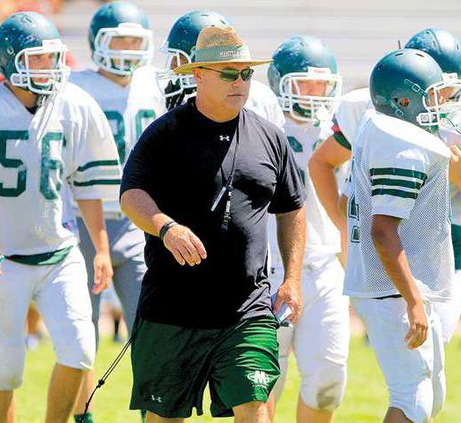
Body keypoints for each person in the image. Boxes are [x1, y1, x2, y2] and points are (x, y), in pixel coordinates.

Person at [0, 12, 120, 423]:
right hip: (2, 260)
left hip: (59, 253)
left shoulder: (72, 104)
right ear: (10, 61)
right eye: (37, 59)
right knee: (5, 369)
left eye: (52, 57)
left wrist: (102, 248)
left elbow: (87, 186)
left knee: (79, 351)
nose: (49, 67)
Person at [120, 26, 305, 422]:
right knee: (163, 418)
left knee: (255, 406)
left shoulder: (271, 138)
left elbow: (292, 207)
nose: (240, 82)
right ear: (198, 74)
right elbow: (131, 195)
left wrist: (292, 278)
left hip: (247, 309)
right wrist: (165, 227)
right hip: (172, 308)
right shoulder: (164, 134)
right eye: (228, 73)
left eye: (246, 74)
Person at [310, 28, 461, 345]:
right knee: (410, 364)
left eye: (452, 90)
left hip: (443, 246)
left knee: (430, 353)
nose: (445, 100)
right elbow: (322, 161)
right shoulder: (371, 115)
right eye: (438, 90)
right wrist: (341, 224)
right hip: (383, 244)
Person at [346, 48, 461, 423]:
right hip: (393, 288)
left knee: (430, 396)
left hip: (393, 284)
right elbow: (383, 231)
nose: (439, 103)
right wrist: (413, 300)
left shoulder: (378, 124)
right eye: (431, 95)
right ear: (402, 101)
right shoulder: (403, 145)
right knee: (412, 396)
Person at [65, 3, 165, 421]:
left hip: (139, 217)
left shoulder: (154, 85)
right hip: (83, 217)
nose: (126, 50)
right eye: (118, 40)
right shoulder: (74, 87)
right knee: (80, 332)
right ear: (98, 43)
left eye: (134, 41)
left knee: (152, 324)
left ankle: (153, 411)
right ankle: (83, 414)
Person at [265, 35, 349, 423]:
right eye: (305, 83)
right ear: (280, 82)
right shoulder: (261, 128)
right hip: (267, 269)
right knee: (263, 382)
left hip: (323, 263)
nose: (315, 92)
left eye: (322, 83)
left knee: (328, 380)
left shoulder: (343, 133)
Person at [157, 9, 285, 127]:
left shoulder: (259, 101)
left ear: (199, 58)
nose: (172, 64)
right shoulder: (263, 96)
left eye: (179, 56)